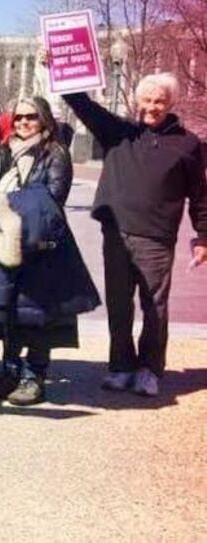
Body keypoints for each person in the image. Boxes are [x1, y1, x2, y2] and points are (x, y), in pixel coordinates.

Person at [51, 66, 207, 397]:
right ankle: (121, 366)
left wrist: (203, 236)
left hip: (156, 238)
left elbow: (200, 195)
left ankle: (149, 369)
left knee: (155, 307)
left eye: (159, 101)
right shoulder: (117, 133)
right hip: (116, 234)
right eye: (147, 100)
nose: (152, 106)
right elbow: (82, 104)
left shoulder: (189, 144)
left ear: (171, 103)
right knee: (119, 304)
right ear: (137, 101)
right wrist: (55, 66)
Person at [0, 96, 100, 406]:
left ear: (44, 119)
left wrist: (6, 210)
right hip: (3, 243)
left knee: (38, 314)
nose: (23, 123)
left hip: (40, 245)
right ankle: (10, 370)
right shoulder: (5, 151)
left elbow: (50, 198)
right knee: (9, 312)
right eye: (18, 118)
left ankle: (34, 375)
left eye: (30, 117)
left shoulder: (54, 153)